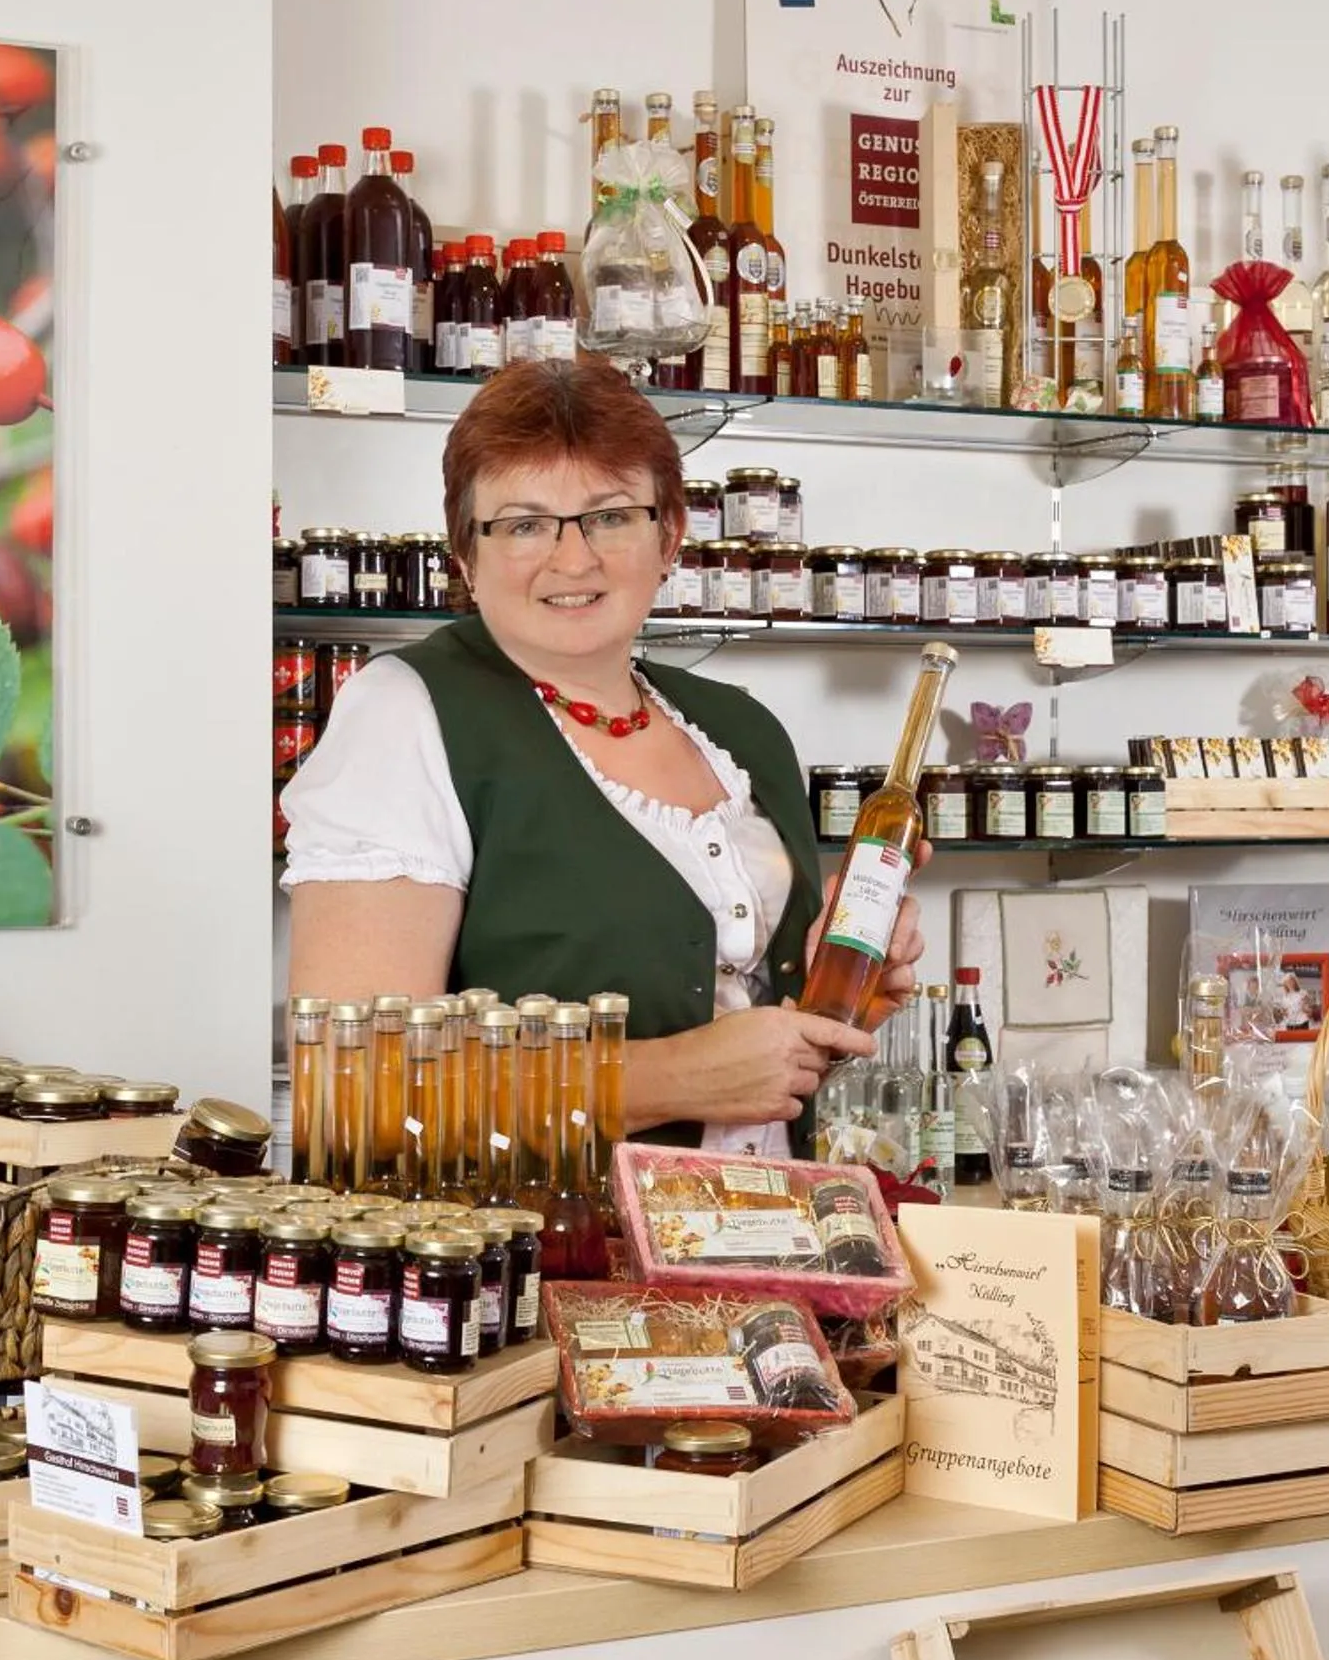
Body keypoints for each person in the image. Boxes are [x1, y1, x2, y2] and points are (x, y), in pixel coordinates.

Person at [282, 357, 925, 1153]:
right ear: (463, 556)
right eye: (523, 523)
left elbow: (760, 1054)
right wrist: (670, 1076)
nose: (573, 558)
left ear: (669, 537)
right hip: (540, 1260)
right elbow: (354, 1086)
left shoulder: (742, 730)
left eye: (611, 515)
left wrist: (846, 999)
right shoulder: (407, 712)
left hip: (763, 1241)